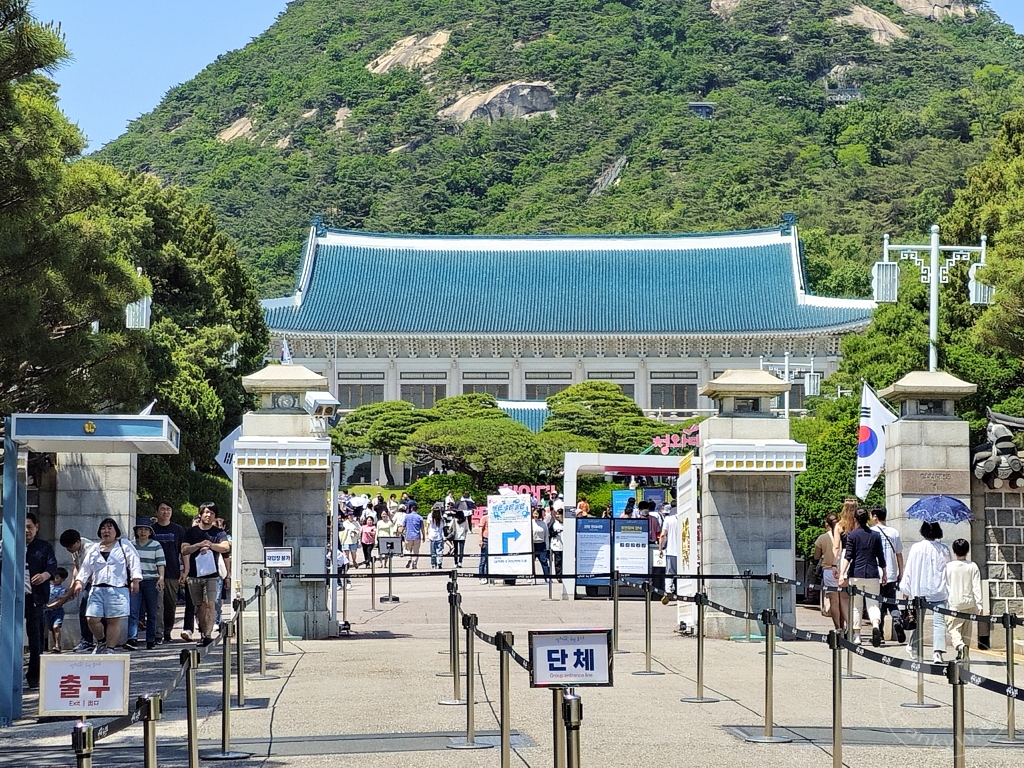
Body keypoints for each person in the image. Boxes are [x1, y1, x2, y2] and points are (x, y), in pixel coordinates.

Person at [71, 518, 142, 654]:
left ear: (116, 531)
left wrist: (135, 580)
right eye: (103, 528)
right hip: (97, 588)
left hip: (117, 588)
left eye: (110, 528)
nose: (106, 531)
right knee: (92, 619)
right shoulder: (94, 548)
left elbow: (134, 562)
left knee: (113, 621)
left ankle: (110, 648)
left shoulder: (124, 545)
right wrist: (79, 582)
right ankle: (101, 641)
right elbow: (86, 568)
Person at [899, 521, 951, 663]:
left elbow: (909, 568)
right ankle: (937, 652)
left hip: (920, 590)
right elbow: (948, 571)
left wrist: (906, 588)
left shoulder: (916, 548)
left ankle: (914, 647)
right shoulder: (944, 549)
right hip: (939, 590)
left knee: (918, 621)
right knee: (939, 622)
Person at [181, 505, 230, 647]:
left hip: (213, 575)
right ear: (201, 515)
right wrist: (198, 545)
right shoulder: (191, 532)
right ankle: (203, 634)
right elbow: (184, 549)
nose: (208, 515)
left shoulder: (218, 533)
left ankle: (208, 635)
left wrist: (210, 545)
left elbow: (226, 547)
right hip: (194, 575)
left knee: (210, 604)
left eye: (212, 513)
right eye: (206, 512)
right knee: (200, 606)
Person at [837, 508, 886, 646]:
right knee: (873, 604)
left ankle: (857, 636)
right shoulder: (875, 536)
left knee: (856, 606)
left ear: (855, 520)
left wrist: (842, 574)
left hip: (856, 574)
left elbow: (848, 556)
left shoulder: (852, 535)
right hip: (872, 574)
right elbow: (880, 556)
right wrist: (885, 572)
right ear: (868, 519)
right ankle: (876, 625)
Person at [25, 513, 58, 685]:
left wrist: (44, 576)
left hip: (36, 598)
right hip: (13, 598)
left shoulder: (44, 547)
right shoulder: (9, 544)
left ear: (36, 527)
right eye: (23, 527)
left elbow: (52, 566)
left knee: (35, 637)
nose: (26, 531)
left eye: (29, 527)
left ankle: (34, 677)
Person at [126, 518, 166, 650]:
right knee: (133, 610)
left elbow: (160, 563)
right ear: (136, 531)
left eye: (146, 529)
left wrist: (161, 578)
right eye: (140, 529)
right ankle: (132, 638)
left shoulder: (156, 545)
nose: (143, 532)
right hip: (135, 581)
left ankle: (151, 639)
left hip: (151, 580)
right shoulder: (131, 545)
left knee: (152, 611)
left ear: (150, 532)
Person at [150, 502, 186, 644]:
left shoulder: (177, 529)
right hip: (154, 573)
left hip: (173, 572)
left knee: (170, 604)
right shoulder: (151, 530)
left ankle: (167, 631)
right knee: (157, 605)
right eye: (162, 509)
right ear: (157, 511)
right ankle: (157, 633)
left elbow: (183, 551)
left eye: (168, 509)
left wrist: (184, 570)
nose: (165, 512)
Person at [944, 539, 982, 665]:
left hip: (955, 603)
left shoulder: (949, 566)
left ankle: (960, 647)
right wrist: (980, 604)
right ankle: (966, 655)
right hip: (970, 602)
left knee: (953, 628)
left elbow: (945, 585)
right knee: (967, 631)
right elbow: (977, 586)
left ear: (954, 551)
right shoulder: (973, 566)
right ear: (968, 550)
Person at [870, 506, 905, 642]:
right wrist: (900, 572)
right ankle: (897, 619)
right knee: (891, 601)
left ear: (875, 517)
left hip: (875, 574)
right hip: (890, 573)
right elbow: (899, 554)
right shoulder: (894, 532)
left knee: (877, 604)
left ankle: (880, 632)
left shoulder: (870, 532)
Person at [58, 528, 96, 652]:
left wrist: (70, 592)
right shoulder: (76, 549)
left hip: (96, 583)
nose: (68, 550)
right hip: (86, 582)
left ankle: (91, 642)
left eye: (69, 547)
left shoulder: (89, 549)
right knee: (84, 612)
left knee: (88, 612)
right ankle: (88, 641)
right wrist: (72, 585)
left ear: (78, 542)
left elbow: (86, 572)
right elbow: (77, 567)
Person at [831, 498, 858, 633]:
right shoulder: (859, 524)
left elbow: (836, 547)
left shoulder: (840, 526)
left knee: (843, 596)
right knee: (858, 596)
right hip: (859, 558)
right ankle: (856, 626)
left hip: (845, 558)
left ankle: (850, 625)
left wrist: (835, 565)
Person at [812, 514, 841, 630]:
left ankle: (838, 627)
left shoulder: (822, 538)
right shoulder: (844, 535)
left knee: (834, 601)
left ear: (826, 524)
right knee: (844, 600)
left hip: (829, 570)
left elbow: (816, 556)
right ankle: (848, 627)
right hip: (843, 569)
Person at [45, 567, 69, 653]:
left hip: (57, 611)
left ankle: (57, 646)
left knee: (56, 627)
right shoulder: (48, 586)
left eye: (57, 577)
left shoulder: (62, 590)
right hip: (48, 612)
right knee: (52, 628)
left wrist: (48, 605)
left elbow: (60, 602)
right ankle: (56, 646)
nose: (55, 579)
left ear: (63, 579)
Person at [659, 507, 681, 598]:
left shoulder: (668, 519)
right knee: (683, 574)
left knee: (669, 572)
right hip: (684, 552)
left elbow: (663, 535)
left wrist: (660, 548)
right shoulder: (686, 517)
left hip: (671, 551)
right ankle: (682, 592)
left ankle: (668, 590)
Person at [399, 502, 423, 568]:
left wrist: (401, 532)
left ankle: (409, 558)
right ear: (417, 510)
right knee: (416, 551)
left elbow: (403, 526)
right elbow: (422, 528)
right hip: (417, 536)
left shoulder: (407, 516)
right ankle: (414, 563)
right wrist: (423, 535)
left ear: (412, 509)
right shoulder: (420, 517)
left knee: (407, 549)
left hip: (408, 535)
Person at [531, 507, 551, 582]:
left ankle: (547, 577)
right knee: (531, 561)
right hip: (533, 545)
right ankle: (531, 577)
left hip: (541, 544)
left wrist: (547, 546)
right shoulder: (531, 523)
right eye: (534, 513)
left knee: (544, 561)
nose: (535, 515)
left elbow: (546, 535)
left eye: (537, 513)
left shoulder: (543, 524)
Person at [427, 505, 446, 569]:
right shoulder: (441, 518)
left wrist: (427, 532)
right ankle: (439, 562)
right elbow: (442, 527)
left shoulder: (430, 516)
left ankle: (433, 563)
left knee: (433, 551)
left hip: (432, 536)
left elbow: (428, 525)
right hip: (439, 536)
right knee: (439, 550)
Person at [549, 509, 564, 581]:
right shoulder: (554, 523)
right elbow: (550, 533)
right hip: (557, 545)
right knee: (558, 561)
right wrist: (555, 533)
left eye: (559, 514)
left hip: (566, 545)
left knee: (565, 561)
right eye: (557, 514)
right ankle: (559, 576)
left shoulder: (568, 523)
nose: (557, 516)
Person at [478, 508, 490, 584]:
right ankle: (481, 576)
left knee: (489, 559)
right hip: (485, 539)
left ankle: (487, 575)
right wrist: (480, 539)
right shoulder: (484, 518)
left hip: (493, 539)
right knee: (483, 559)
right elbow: (480, 529)